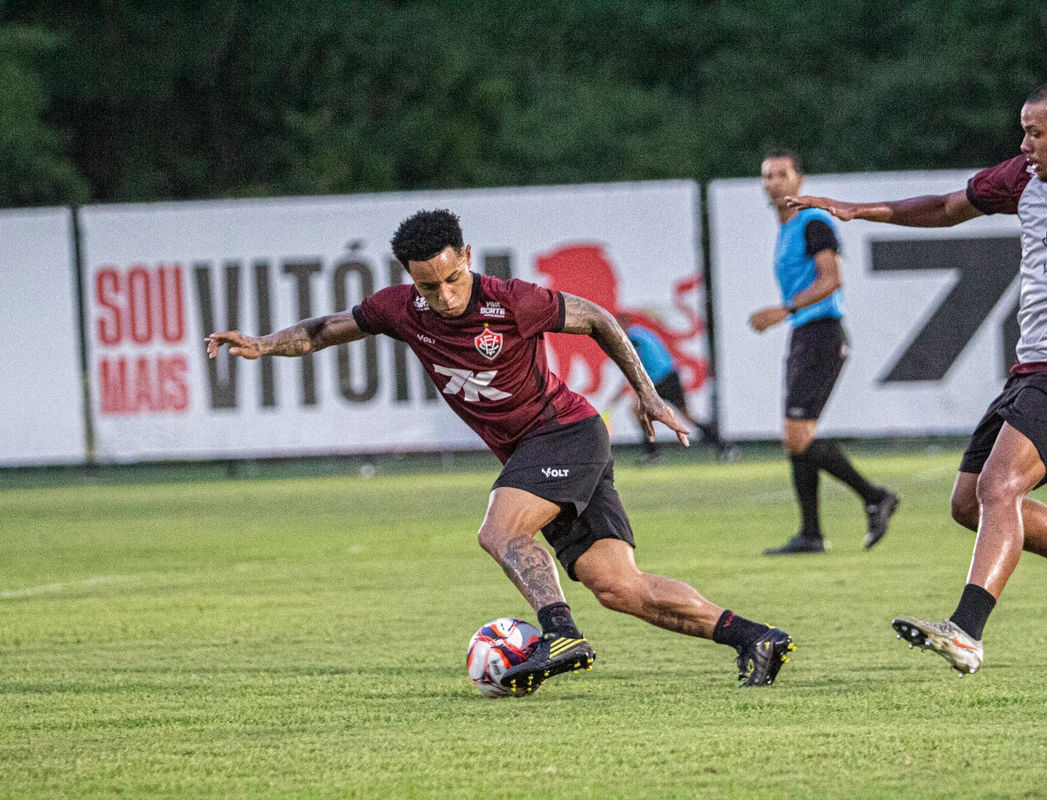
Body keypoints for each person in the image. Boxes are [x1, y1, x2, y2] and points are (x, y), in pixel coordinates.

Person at [205, 209, 794, 690]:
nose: (443, 296)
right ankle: (756, 638)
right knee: (620, 588)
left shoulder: (511, 300)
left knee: (500, 531)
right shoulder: (400, 309)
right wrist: (262, 344)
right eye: (427, 286)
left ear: (466, 256)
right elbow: (323, 329)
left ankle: (560, 632)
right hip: (543, 449)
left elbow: (598, 319)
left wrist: (647, 395)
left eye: (451, 279)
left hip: (565, 433)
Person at [787, 79, 1047, 675]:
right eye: (1022, 131)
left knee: (999, 487)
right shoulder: (1025, 179)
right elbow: (949, 208)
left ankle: (967, 631)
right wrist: (861, 211)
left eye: (1035, 132)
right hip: (1030, 373)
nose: (1024, 143)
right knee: (968, 505)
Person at [752, 148, 900, 555]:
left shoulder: (812, 221)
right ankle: (812, 534)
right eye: (767, 176)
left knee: (797, 436)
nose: (774, 182)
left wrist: (784, 309)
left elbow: (831, 279)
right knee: (796, 438)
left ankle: (875, 496)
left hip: (821, 334)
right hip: (806, 334)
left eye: (782, 174)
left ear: (799, 180)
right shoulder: (786, 228)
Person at [604, 314, 740, 465]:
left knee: (640, 412)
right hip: (670, 375)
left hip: (659, 380)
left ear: (623, 325)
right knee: (686, 416)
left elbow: (632, 368)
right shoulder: (640, 332)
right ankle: (724, 446)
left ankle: (653, 453)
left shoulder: (631, 339)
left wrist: (617, 396)